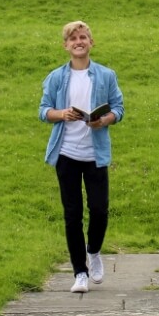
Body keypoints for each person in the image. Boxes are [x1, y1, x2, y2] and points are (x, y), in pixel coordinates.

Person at [38, 21, 125, 293]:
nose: (78, 41)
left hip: (95, 154)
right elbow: (43, 111)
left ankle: (94, 251)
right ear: (66, 45)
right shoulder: (55, 77)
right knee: (72, 214)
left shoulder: (106, 75)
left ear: (91, 42)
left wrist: (105, 120)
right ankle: (80, 273)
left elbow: (118, 108)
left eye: (83, 37)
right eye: (73, 38)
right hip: (66, 154)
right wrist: (61, 114)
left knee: (99, 210)